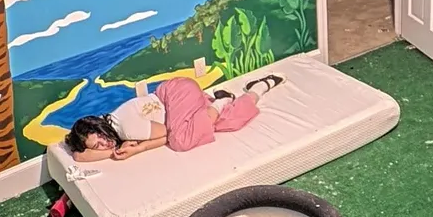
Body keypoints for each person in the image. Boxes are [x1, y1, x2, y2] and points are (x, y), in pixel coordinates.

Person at [64, 74, 283, 162]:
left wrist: (140, 148)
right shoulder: (115, 129)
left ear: (100, 126)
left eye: (101, 137)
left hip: (176, 92)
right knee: (227, 122)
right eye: (98, 146)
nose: (104, 144)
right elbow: (78, 156)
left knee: (181, 140)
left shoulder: (125, 127)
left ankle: (221, 100)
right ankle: (261, 87)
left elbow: (169, 134)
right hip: (179, 105)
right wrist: (111, 151)